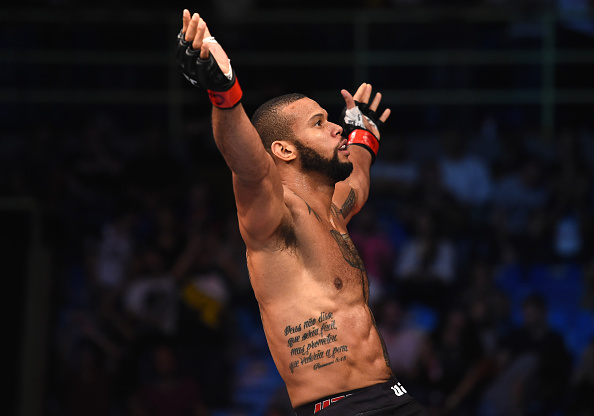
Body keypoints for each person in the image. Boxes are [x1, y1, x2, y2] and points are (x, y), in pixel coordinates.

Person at [175, 9, 429, 416]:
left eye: (332, 120)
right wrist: (224, 93)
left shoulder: (334, 210)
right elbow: (248, 165)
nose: (335, 128)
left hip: (391, 397)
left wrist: (363, 132)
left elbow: (358, 178)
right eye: (319, 123)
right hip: (336, 407)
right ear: (285, 150)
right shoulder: (276, 220)